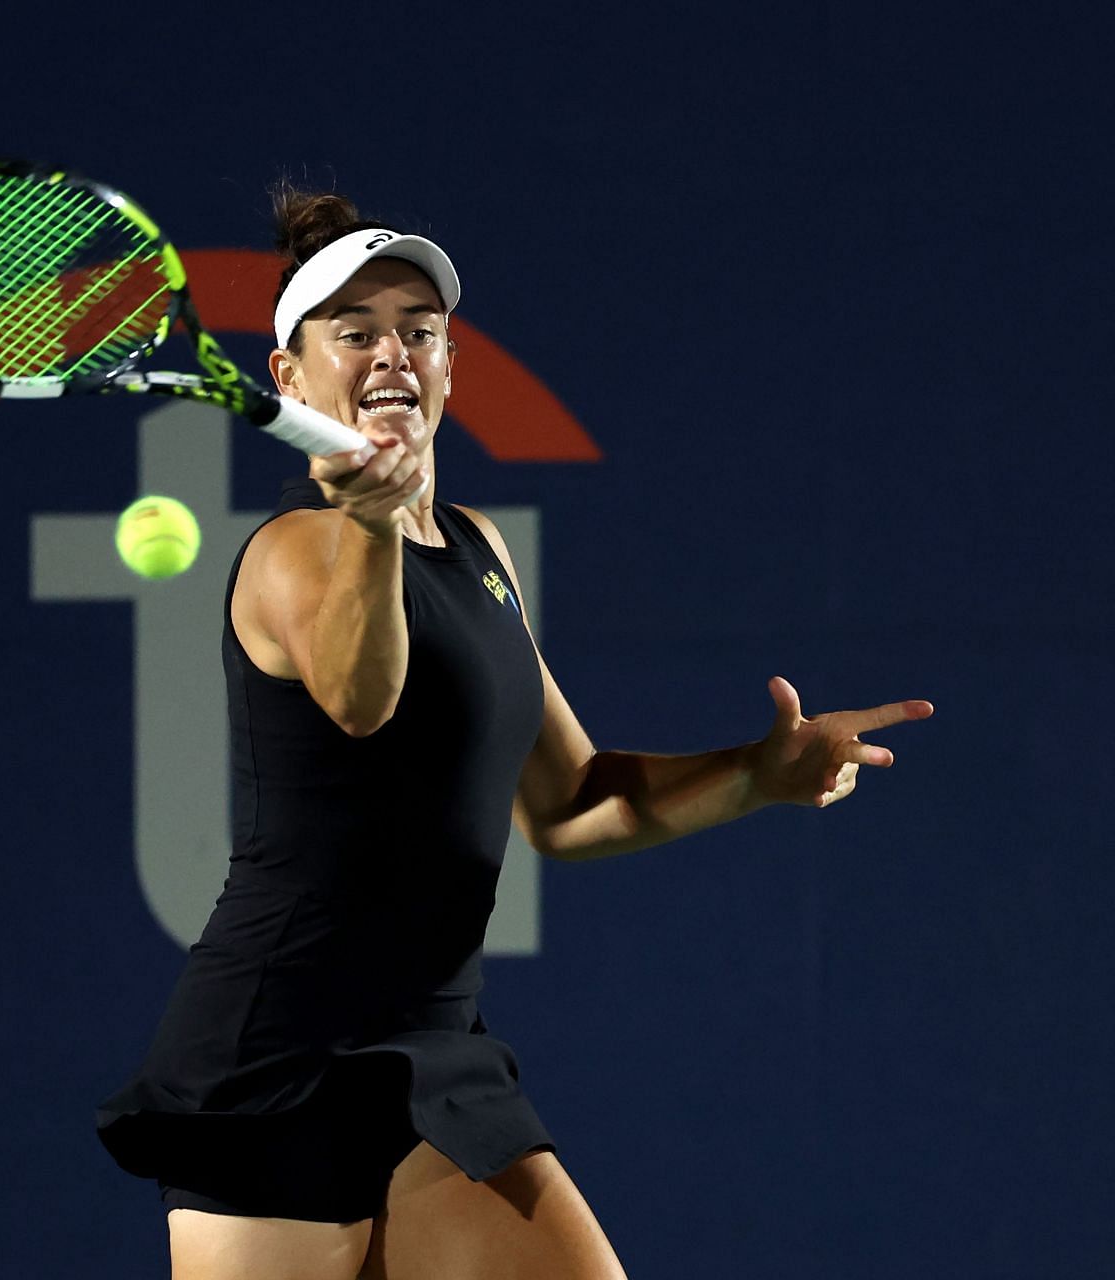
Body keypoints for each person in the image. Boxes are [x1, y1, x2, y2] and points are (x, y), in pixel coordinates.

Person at [95, 186, 934, 1280]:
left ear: (449, 369)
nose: (394, 351)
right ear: (289, 380)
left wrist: (757, 772)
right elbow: (359, 700)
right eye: (355, 332)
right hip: (278, 1056)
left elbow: (575, 802)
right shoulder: (295, 551)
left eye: (419, 331)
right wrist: (367, 526)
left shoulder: (478, 547)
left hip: (435, 1049)